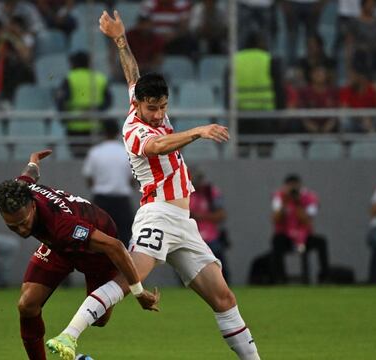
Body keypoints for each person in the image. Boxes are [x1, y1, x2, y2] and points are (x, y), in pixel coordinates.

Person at [46, 11, 260, 360]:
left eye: (162, 107)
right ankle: (69, 336)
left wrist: (120, 39)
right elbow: (157, 146)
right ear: (139, 106)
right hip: (157, 214)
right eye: (153, 108)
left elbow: (133, 73)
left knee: (224, 298)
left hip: (184, 224)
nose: (159, 114)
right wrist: (197, 131)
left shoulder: (142, 98)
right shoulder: (134, 129)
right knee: (130, 279)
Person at [0, 149, 159, 360]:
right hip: (58, 248)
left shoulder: (62, 225)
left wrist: (138, 292)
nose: (22, 230)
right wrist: (34, 160)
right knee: (27, 305)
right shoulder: (20, 190)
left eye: (24, 223)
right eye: (13, 226)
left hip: (95, 254)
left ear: (33, 207)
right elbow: (30, 174)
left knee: (100, 320)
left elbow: (116, 247)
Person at [82, 119, 135, 247]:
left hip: (101, 201)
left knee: (98, 239)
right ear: (117, 132)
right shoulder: (126, 152)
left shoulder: (95, 152)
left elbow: (89, 179)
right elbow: (133, 179)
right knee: (124, 239)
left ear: (103, 133)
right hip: (122, 202)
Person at [270, 174, 329, 284]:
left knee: (322, 242)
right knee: (276, 241)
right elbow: (275, 219)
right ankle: (280, 279)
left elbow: (307, 221)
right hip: (286, 236)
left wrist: (297, 203)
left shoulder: (310, 197)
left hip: (304, 235)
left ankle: (325, 277)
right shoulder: (280, 197)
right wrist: (285, 203)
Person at [55, 51, 112, 158]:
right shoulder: (100, 78)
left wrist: (64, 119)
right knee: (96, 158)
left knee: (79, 159)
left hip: (75, 126)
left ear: (74, 63)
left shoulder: (70, 78)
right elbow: (108, 102)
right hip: (96, 126)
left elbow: (60, 101)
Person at [189, 168, 230, 281]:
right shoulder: (185, 194)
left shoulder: (211, 193)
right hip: (191, 237)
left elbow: (221, 215)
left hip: (212, 237)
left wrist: (198, 216)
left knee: (219, 268)